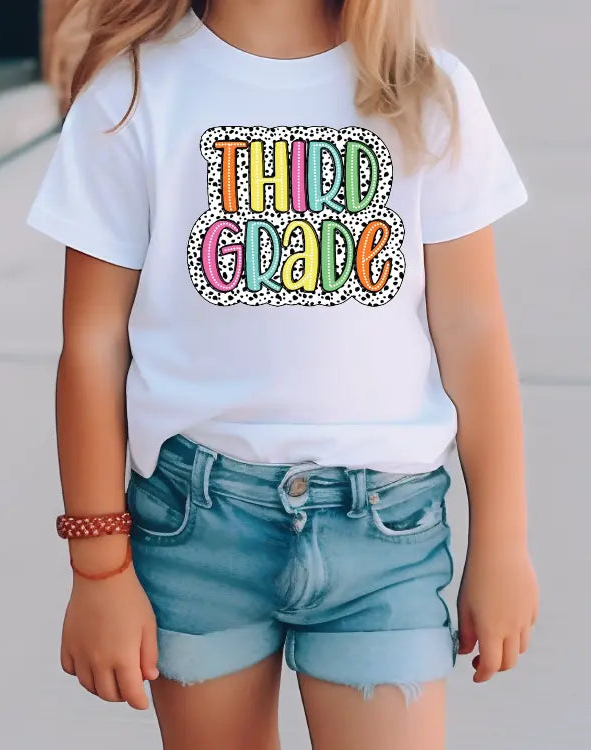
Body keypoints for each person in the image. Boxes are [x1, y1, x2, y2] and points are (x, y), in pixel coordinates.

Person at [27, 1, 538, 747]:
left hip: (384, 534)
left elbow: (473, 331)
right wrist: (98, 570)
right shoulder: (133, 92)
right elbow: (93, 343)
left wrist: (503, 542)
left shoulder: (425, 92)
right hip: (197, 528)